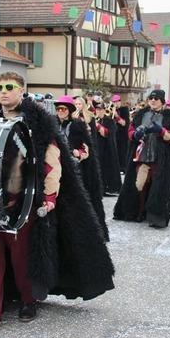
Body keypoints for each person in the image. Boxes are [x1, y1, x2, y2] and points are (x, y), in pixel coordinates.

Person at [0, 72, 114, 335]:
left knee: (23, 257)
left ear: (21, 90)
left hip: (23, 200)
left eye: (10, 87)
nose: (3, 92)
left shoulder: (38, 120)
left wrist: (50, 197)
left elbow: (52, 160)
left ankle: (29, 299)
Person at [113, 89, 170, 228]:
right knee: (139, 186)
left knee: (158, 187)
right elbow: (130, 131)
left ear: (162, 101)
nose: (153, 100)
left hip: (160, 159)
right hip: (142, 157)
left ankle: (156, 217)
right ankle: (136, 213)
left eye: (156, 99)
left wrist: (161, 131)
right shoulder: (141, 114)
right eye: (151, 98)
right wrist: (135, 135)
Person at [55, 95, 107, 241]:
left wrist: (79, 153)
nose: (60, 111)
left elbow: (87, 149)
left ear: (69, 110)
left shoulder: (78, 125)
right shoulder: (52, 125)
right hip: (56, 166)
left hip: (75, 167)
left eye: (63, 108)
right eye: (58, 108)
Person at [95, 103, 122, 195]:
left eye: (100, 109)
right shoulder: (97, 119)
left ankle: (110, 188)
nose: (98, 111)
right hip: (99, 148)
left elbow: (106, 133)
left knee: (108, 168)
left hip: (108, 149)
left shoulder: (109, 121)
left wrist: (97, 126)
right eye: (97, 109)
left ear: (103, 110)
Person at [110, 94, 130, 173]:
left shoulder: (124, 110)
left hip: (122, 134)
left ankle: (123, 168)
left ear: (120, 101)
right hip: (114, 134)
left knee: (122, 151)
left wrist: (116, 116)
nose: (115, 103)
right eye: (114, 102)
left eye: (117, 101)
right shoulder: (111, 109)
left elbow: (124, 123)